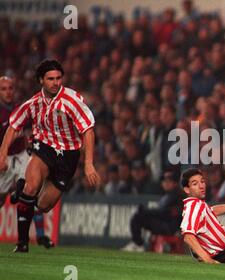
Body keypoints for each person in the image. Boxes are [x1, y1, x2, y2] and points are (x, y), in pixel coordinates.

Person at [0, 59, 101, 252]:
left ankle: (21, 191)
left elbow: (88, 130)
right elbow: (14, 126)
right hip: (43, 147)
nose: (55, 82)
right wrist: (2, 154)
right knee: (32, 187)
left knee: (44, 205)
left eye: (58, 78)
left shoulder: (71, 101)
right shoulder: (34, 103)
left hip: (68, 156)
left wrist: (88, 164)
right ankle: (22, 243)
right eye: (50, 79)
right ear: (41, 81)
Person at [0, 76, 54, 248]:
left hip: (22, 155)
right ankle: (17, 189)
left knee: (32, 191)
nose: (8, 92)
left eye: (11, 88)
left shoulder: (20, 108)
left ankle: (39, 236)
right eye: (4, 89)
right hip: (4, 158)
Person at [122, 170, 183, 252]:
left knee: (138, 217)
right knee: (139, 216)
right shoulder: (169, 195)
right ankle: (137, 243)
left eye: (168, 181)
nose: (165, 183)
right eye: (164, 181)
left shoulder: (176, 196)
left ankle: (138, 244)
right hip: (167, 225)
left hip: (172, 228)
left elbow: (165, 214)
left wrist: (147, 212)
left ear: (175, 183)